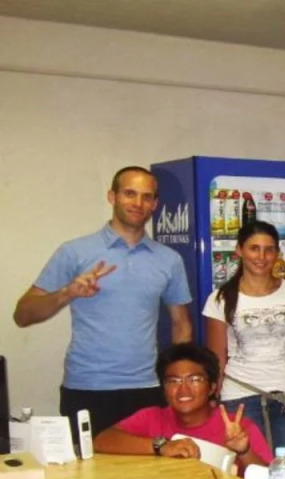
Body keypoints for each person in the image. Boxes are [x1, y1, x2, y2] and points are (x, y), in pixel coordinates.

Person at [13, 166, 192, 438]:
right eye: (129, 194)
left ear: (155, 204)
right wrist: (67, 293)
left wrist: (177, 380)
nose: (138, 203)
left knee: (150, 464)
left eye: (146, 197)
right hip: (87, 388)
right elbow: (22, 315)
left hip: (147, 389)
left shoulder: (169, 260)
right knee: (88, 465)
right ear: (112, 196)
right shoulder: (75, 251)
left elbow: (181, 324)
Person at [203, 220, 285, 476]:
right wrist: (212, 398)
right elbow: (216, 356)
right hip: (240, 398)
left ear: (277, 253)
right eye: (254, 248)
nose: (261, 257)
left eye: (269, 250)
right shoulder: (220, 299)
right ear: (239, 250)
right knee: (251, 477)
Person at [94, 342, 272, 471]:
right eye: (174, 381)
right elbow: (101, 441)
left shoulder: (237, 427)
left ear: (212, 387)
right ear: (164, 388)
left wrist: (244, 451)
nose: (183, 389)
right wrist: (161, 446)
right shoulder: (152, 417)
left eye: (194, 380)